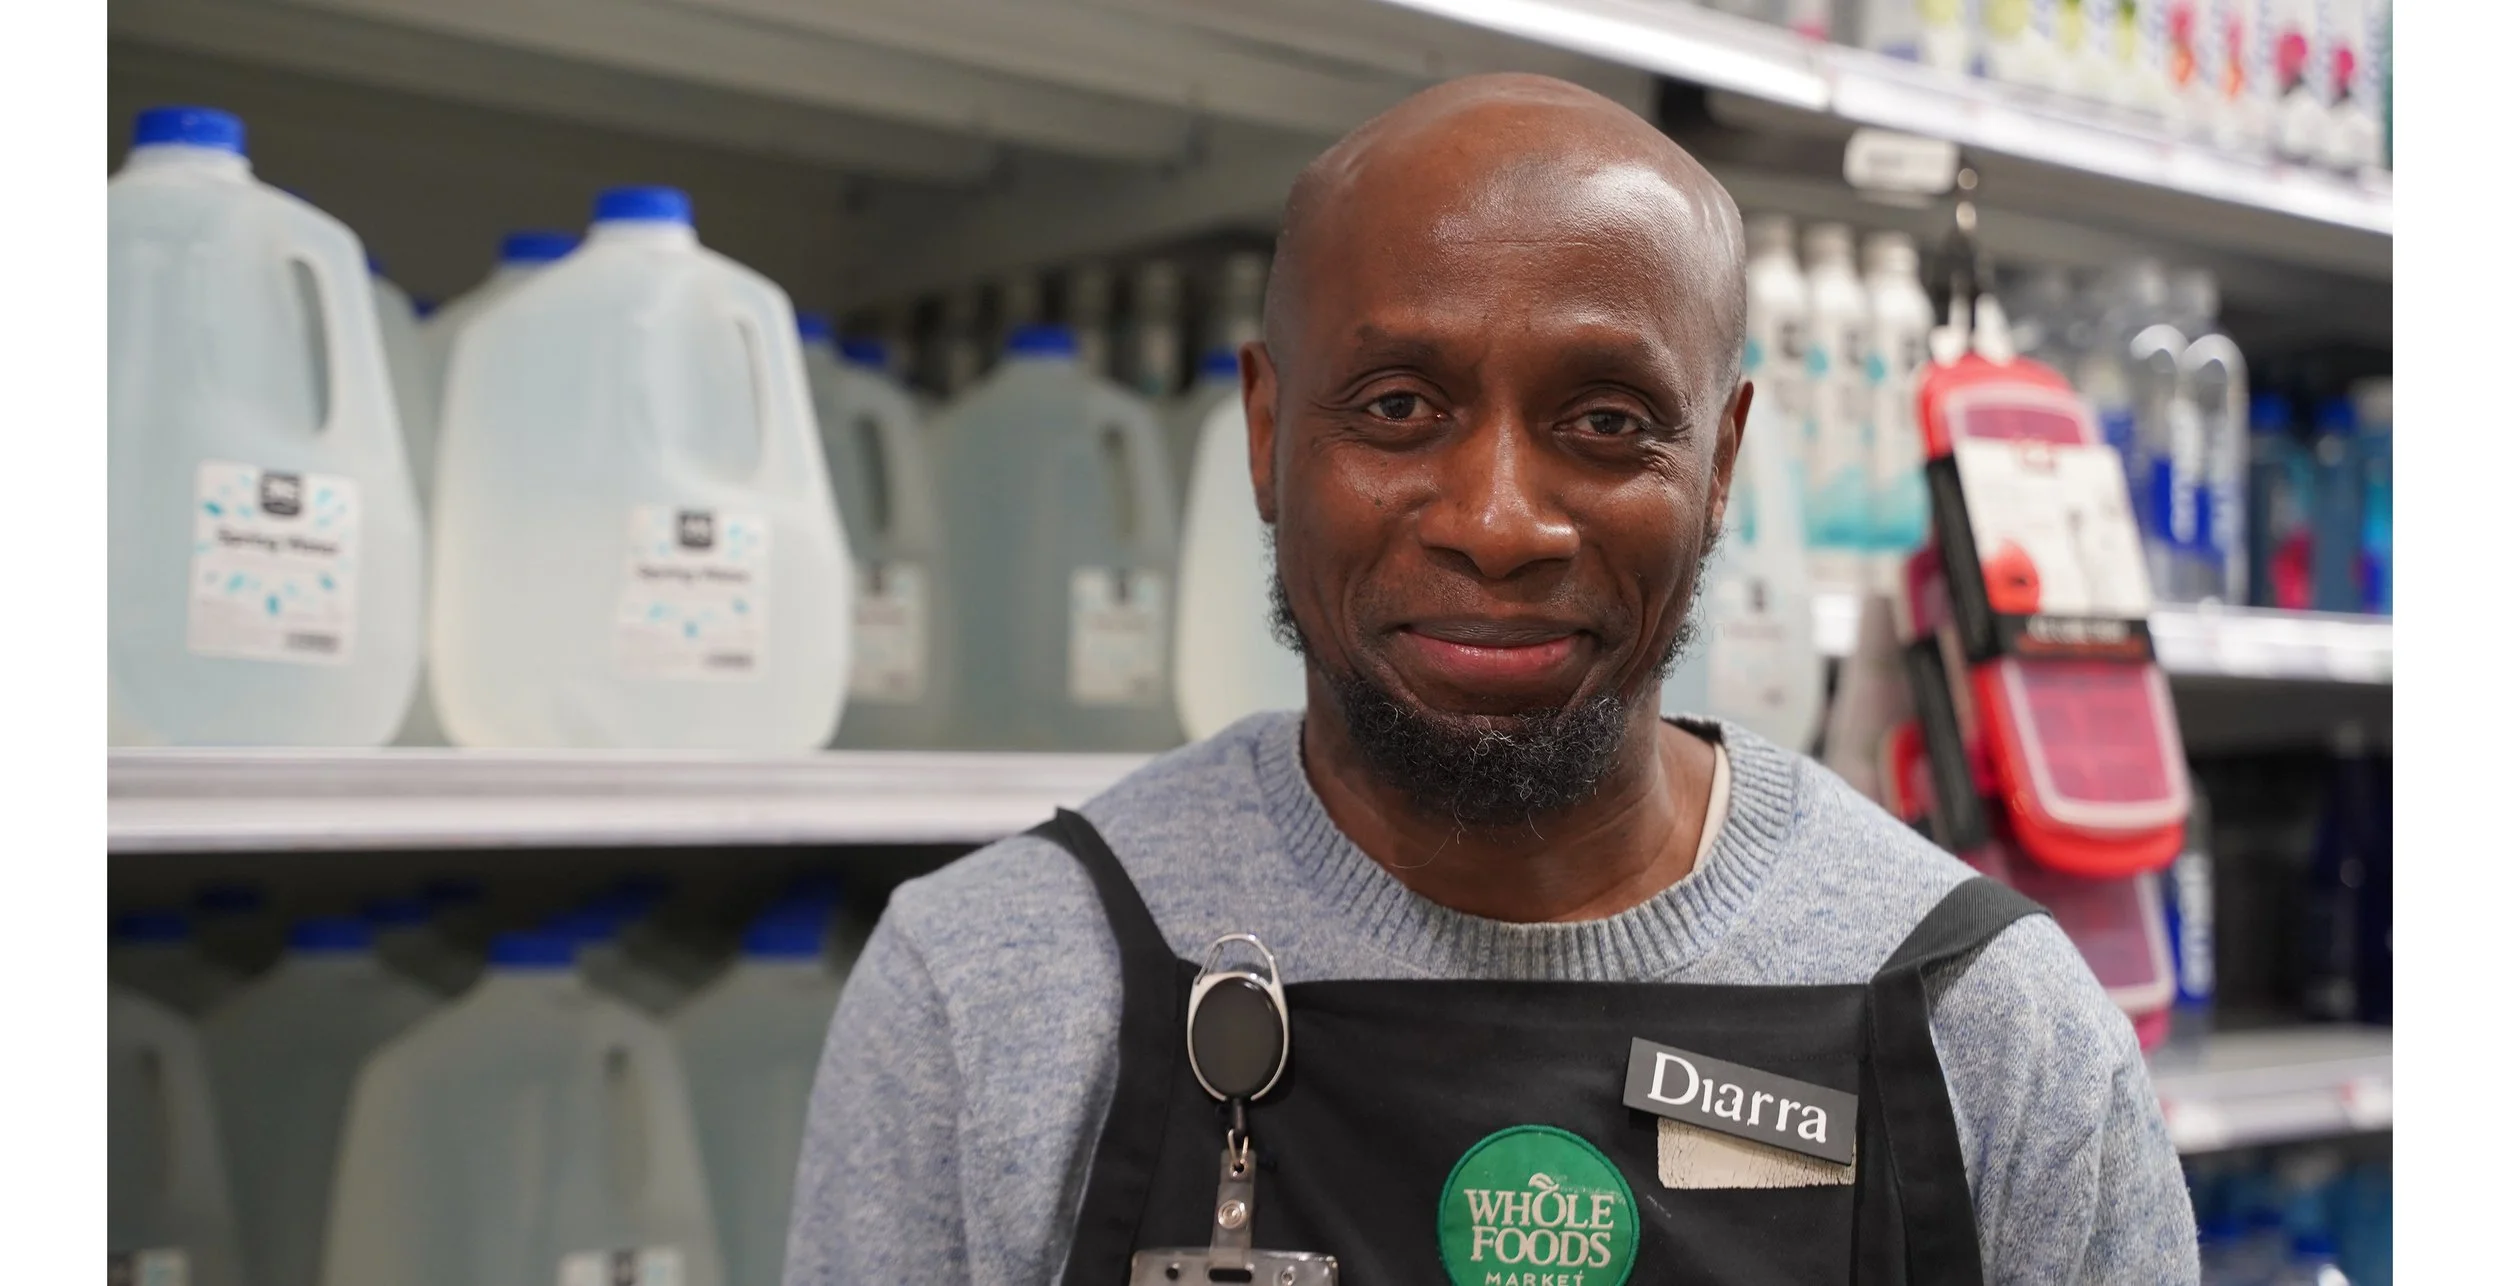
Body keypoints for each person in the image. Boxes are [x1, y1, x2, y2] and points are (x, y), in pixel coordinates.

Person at [785, 73, 2195, 1284]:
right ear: (1267, 432)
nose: (1500, 521)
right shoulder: (993, 992)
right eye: (1399, 406)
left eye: (1608, 421)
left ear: (1721, 465)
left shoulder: (1987, 1026)